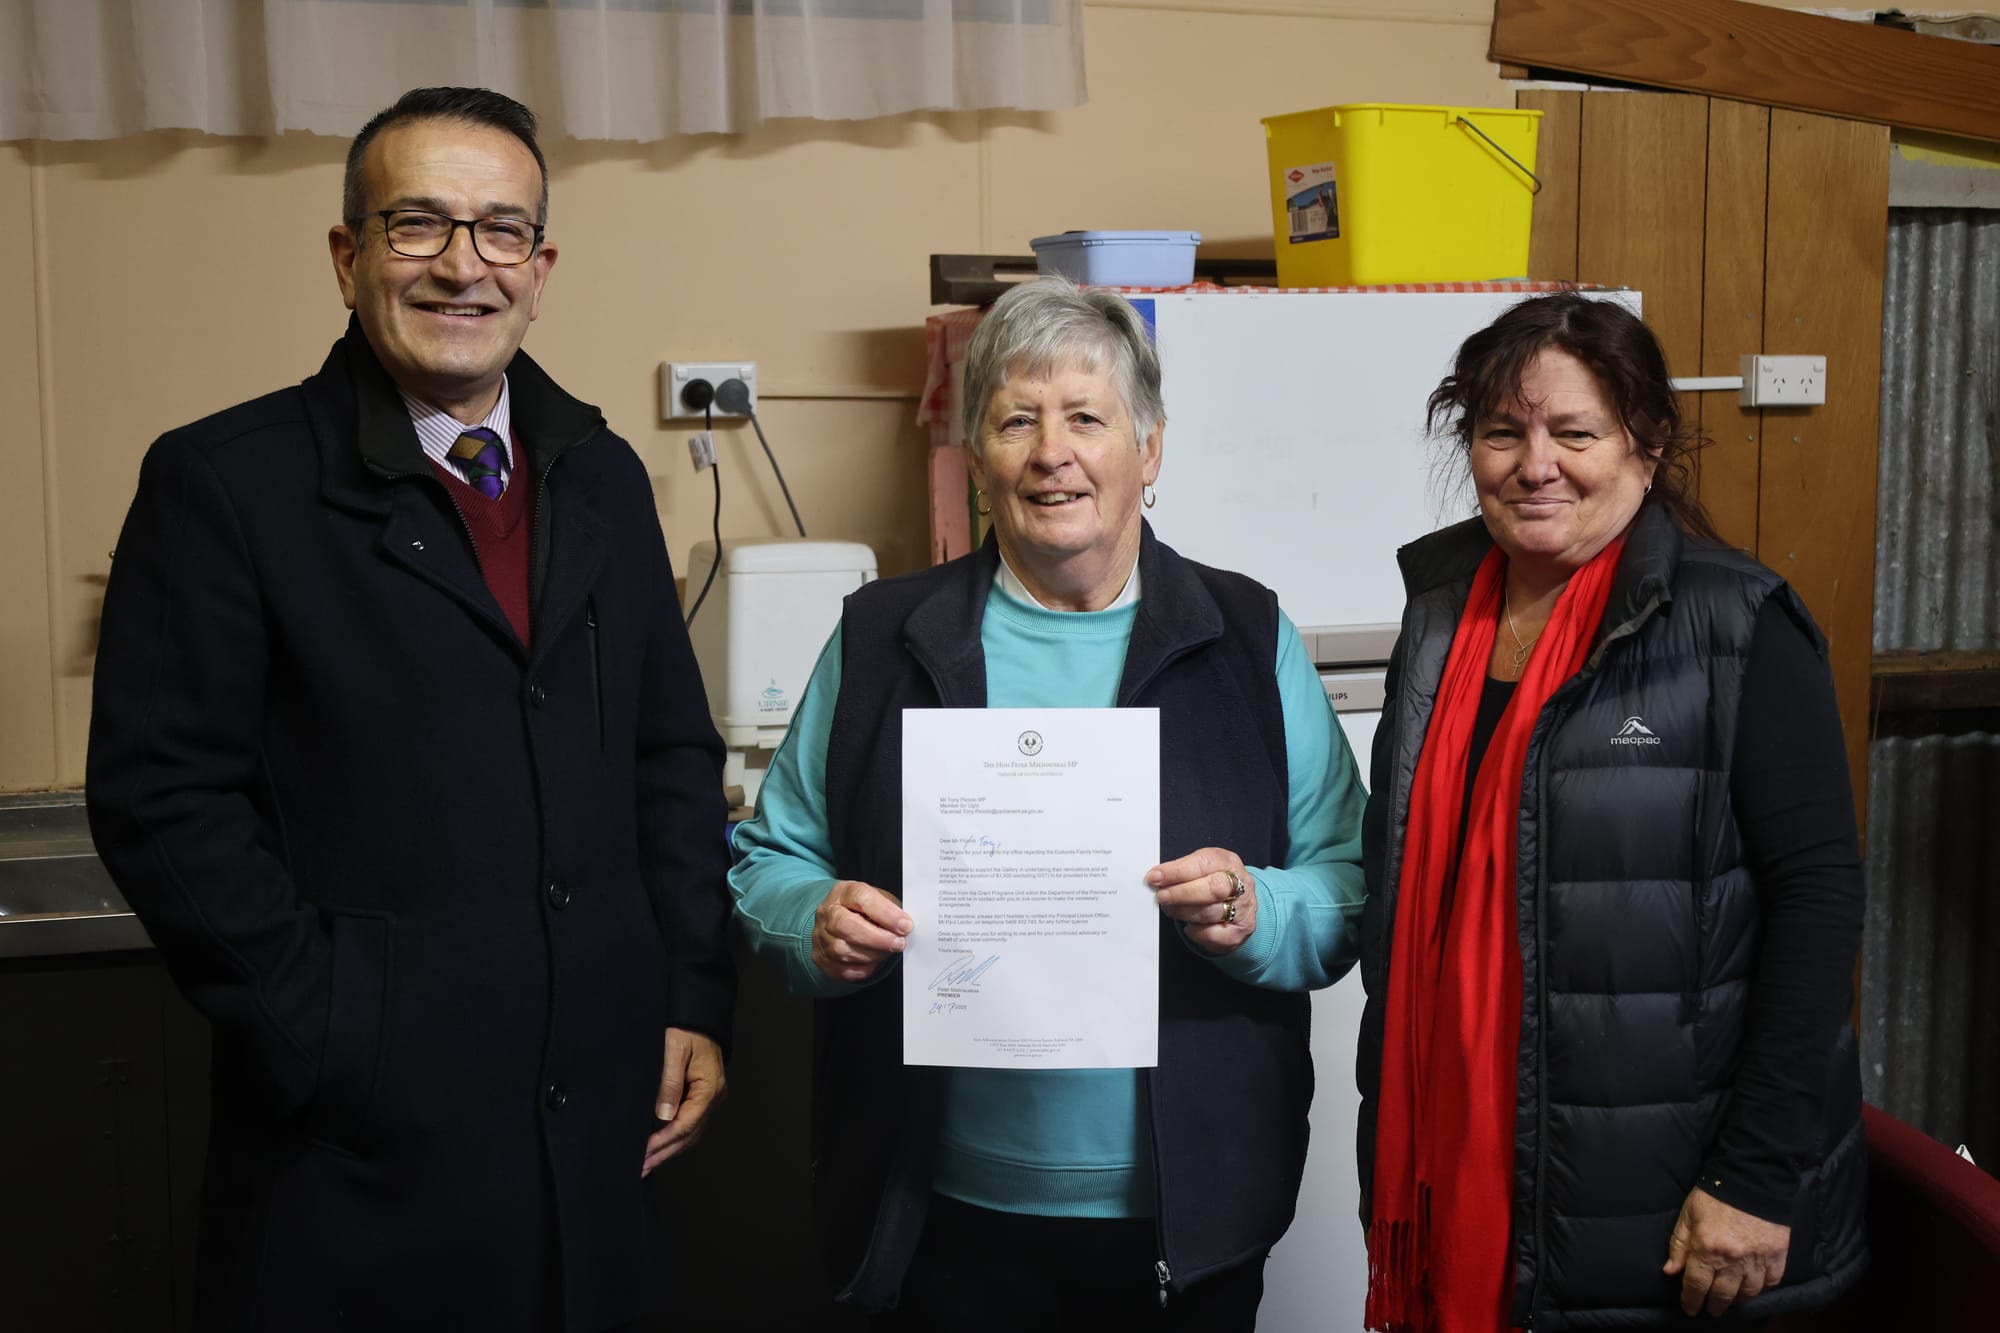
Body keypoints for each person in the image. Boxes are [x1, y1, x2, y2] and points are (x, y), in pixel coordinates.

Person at [84, 87, 733, 1333]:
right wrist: (333, 1030)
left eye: (499, 231)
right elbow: (162, 795)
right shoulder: (226, 482)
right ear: (347, 257)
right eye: (416, 225)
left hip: (597, 1115)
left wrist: (690, 993)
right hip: (358, 1152)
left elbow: (666, 752)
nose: (461, 265)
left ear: (540, 269)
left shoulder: (596, 474)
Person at [729, 276, 1368, 1328]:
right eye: (1014, 419)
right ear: (976, 458)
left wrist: (1255, 909)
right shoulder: (880, 637)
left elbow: (1345, 885)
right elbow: (769, 859)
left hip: (1188, 1206)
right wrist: (814, 921)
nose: (1049, 451)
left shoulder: (1247, 636)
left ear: (1147, 451)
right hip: (937, 1204)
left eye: (1085, 417)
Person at [1357, 293, 1867, 1331]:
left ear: (1645, 443)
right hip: (1463, 1162)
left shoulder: (1737, 625)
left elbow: (1817, 901)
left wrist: (1756, 1177)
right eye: (1501, 432)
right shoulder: (1439, 614)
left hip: (1671, 1203)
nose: (1533, 463)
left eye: (1572, 432)